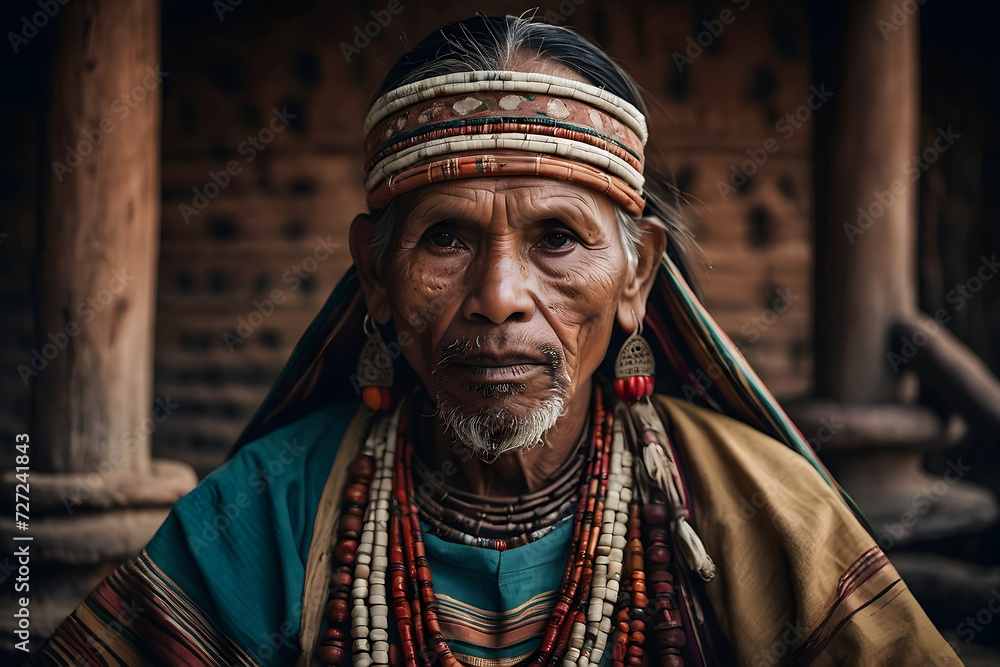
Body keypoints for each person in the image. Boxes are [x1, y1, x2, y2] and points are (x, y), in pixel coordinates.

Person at [32, 14, 960, 667]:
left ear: (638, 275)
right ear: (375, 276)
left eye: (558, 237)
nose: (499, 297)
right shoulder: (262, 518)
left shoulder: (763, 513)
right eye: (446, 238)